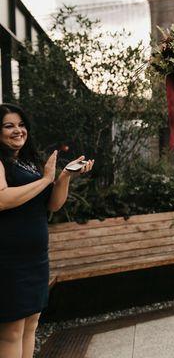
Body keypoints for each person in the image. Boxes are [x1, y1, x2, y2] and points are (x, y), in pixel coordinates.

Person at [0, 103, 94, 358]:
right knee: (11, 331)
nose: (18, 130)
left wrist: (63, 177)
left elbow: (52, 204)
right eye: (9, 126)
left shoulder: (27, 163)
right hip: (9, 260)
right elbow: (2, 199)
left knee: (31, 324)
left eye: (21, 125)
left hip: (36, 257)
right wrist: (44, 180)